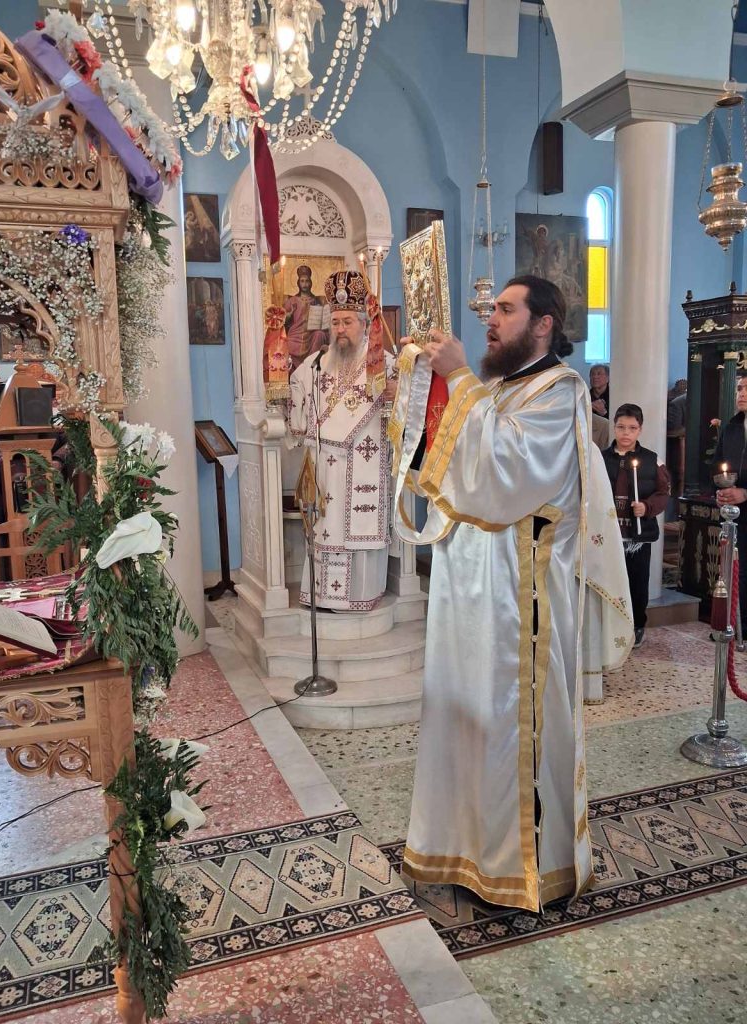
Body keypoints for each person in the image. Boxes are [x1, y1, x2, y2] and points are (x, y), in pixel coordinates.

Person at [397, 275, 625, 912]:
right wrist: (418, 392)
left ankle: (518, 870)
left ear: (544, 323)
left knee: (506, 729)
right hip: (467, 590)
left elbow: (507, 474)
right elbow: (445, 466)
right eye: (491, 309)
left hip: (520, 601)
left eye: (505, 309)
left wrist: (459, 377)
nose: (491, 320)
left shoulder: (560, 392)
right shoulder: (496, 388)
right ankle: (461, 851)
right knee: (464, 720)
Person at [287, 269, 397, 611]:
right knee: (326, 526)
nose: (340, 329)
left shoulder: (384, 364)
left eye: (347, 322)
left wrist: (398, 393)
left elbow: (406, 408)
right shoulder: (318, 362)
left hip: (364, 463)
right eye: (335, 322)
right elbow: (294, 388)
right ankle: (323, 596)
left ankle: (359, 597)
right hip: (325, 467)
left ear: (364, 323)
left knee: (356, 529)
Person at [602, 403, 671, 648]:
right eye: (621, 427)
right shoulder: (601, 458)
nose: (626, 433)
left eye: (632, 428)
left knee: (637, 580)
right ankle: (608, 625)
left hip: (637, 535)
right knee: (608, 580)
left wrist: (647, 507)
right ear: (614, 427)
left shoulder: (652, 460)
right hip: (608, 534)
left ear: (640, 430)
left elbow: (664, 492)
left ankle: (637, 625)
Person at [713, 375, 747, 638]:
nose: (742, 393)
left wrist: (745, 493)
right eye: (739, 388)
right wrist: (722, 491)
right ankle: (734, 624)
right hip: (736, 515)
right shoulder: (732, 427)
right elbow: (719, 464)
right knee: (735, 570)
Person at [284, 266, 328, 366]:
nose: (304, 284)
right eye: (302, 281)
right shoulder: (292, 301)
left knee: (320, 334)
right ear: (298, 283)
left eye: (307, 281)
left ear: (310, 283)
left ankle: (313, 364)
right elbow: (283, 319)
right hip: (296, 334)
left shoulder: (316, 300)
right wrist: (289, 315)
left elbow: (323, 319)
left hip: (311, 333)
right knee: (288, 342)